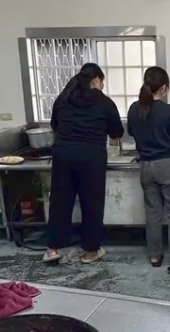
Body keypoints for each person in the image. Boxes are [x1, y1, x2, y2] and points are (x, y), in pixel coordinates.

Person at [43, 63, 123, 265]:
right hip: (91, 157)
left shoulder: (63, 98)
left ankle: (52, 249)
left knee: (60, 201)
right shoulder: (104, 102)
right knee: (92, 203)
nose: (102, 86)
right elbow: (117, 132)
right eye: (102, 82)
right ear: (96, 79)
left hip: (63, 155)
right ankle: (90, 252)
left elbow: (55, 125)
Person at [127, 67, 170, 275]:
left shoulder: (134, 109)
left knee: (153, 213)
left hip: (146, 166)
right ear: (164, 88)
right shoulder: (168, 111)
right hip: (168, 166)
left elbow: (131, 131)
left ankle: (155, 255)